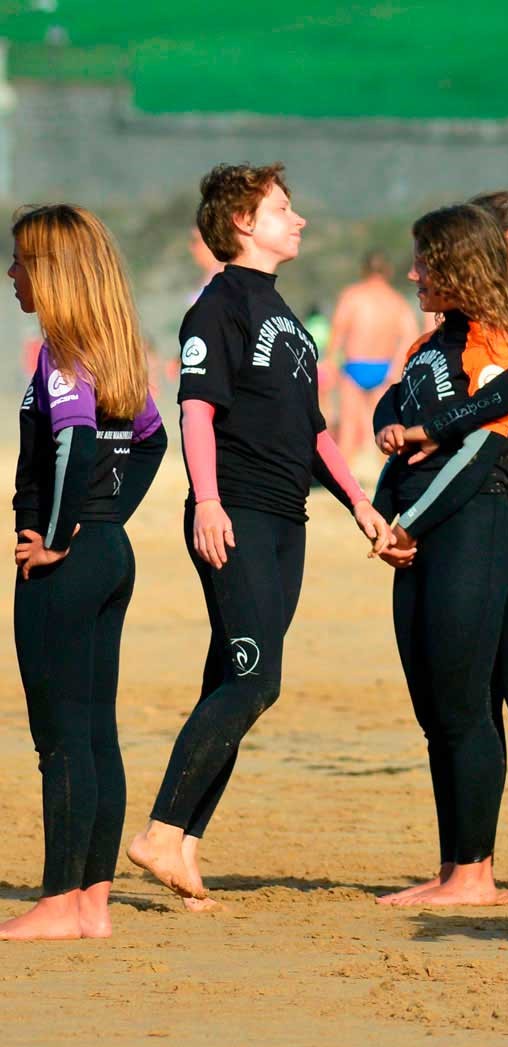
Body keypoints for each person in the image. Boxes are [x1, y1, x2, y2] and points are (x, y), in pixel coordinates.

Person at [127, 164, 385, 903]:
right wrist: (206, 501)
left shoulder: (285, 316)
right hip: (234, 512)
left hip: (286, 519)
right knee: (255, 677)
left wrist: (360, 506)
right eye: (282, 208)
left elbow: (312, 431)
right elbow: (197, 410)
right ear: (243, 223)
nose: (297, 219)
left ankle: (185, 843)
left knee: (234, 679)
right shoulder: (218, 306)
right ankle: (159, 832)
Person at [383, 191, 508, 906]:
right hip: (478, 513)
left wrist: (441, 427)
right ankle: (470, 863)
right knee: (470, 697)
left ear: (502, 241)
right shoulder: (464, 326)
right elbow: (403, 391)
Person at [3, 205, 166, 940]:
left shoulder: (62, 353)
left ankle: (58, 902)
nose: (10, 275)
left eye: (20, 262)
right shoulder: (115, 349)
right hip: (109, 556)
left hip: (70, 567)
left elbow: (68, 445)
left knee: (61, 738)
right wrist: (105, 522)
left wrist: (60, 537)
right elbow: (154, 442)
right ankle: (91, 904)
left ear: (51, 272)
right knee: (96, 732)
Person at [369, 203, 508, 907]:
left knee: (466, 708)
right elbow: (387, 409)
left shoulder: (496, 342)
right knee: (433, 708)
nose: (413, 274)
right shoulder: (426, 346)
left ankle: (476, 872)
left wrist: (413, 523)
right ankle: (449, 868)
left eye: (425, 263)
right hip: (415, 537)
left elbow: (478, 451)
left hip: (470, 530)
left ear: (459, 265)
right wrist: (382, 516)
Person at [322, 252, 418, 460]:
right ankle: (385, 480)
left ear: (363, 270)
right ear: (388, 272)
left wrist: (329, 362)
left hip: (354, 367)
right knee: (385, 430)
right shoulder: (397, 301)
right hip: (384, 368)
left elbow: (338, 330)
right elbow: (410, 336)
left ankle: (344, 484)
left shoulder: (352, 296)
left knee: (349, 427)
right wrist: (396, 369)